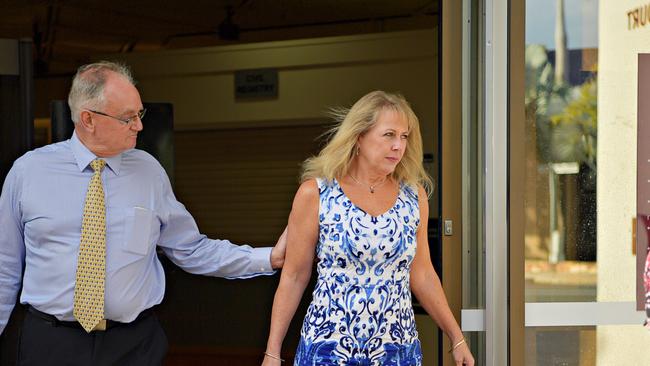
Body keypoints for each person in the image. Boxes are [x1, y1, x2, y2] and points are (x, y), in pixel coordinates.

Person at [0, 60, 287, 365]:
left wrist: (267, 258)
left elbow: (190, 249)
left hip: (133, 346)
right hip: (50, 345)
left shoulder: (149, 171)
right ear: (88, 119)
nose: (139, 125)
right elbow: (5, 267)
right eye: (128, 118)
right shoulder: (28, 172)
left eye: (140, 114)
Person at [262, 91, 474, 365]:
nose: (399, 146)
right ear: (359, 137)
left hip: (397, 349)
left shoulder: (414, 196)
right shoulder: (316, 193)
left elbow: (422, 274)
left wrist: (456, 338)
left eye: (404, 136)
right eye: (389, 135)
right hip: (328, 349)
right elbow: (293, 277)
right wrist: (272, 352)